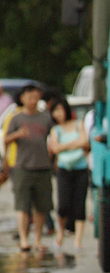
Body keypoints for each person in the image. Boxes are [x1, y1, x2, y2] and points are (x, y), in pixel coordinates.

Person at [3, 84, 54, 253]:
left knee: (41, 207)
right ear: (22, 98)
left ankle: (38, 239)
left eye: (35, 96)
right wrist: (17, 135)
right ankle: (24, 239)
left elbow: (53, 137)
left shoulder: (46, 117)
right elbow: (5, 139)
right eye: (29, 97)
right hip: (22, 167)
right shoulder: (16, 118)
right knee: (22, 206)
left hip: (43, 166)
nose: (32, 100)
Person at [47, 98, 89, 250]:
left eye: (60, 110)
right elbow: (55, 148)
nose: (58, 114)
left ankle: (78, 240)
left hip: (81, 169)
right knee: (63, 204)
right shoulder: (55, 130)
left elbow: (84, 141)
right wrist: (74, 144)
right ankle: (61, 233)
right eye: (55, 111)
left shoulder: (79, 124)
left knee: (80, 204)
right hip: (64, 169)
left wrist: (64, 146)